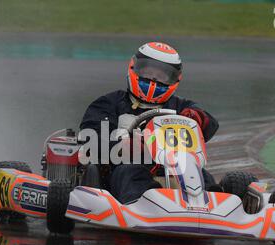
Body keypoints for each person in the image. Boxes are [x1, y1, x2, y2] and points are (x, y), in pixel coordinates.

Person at [80, 42, 219, 203]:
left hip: (173, 171)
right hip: (121, 172)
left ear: (174, 79)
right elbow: (90, 136)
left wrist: (197, 117)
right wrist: (122, 146)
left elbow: (210, 125)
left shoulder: (180, 106)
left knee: (200, 173)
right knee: (131, 172)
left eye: (161, 76)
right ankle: (147, 201)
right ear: (134, 68)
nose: (153, 79)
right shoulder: (109, 103)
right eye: (148, 72)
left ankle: (212, 201)